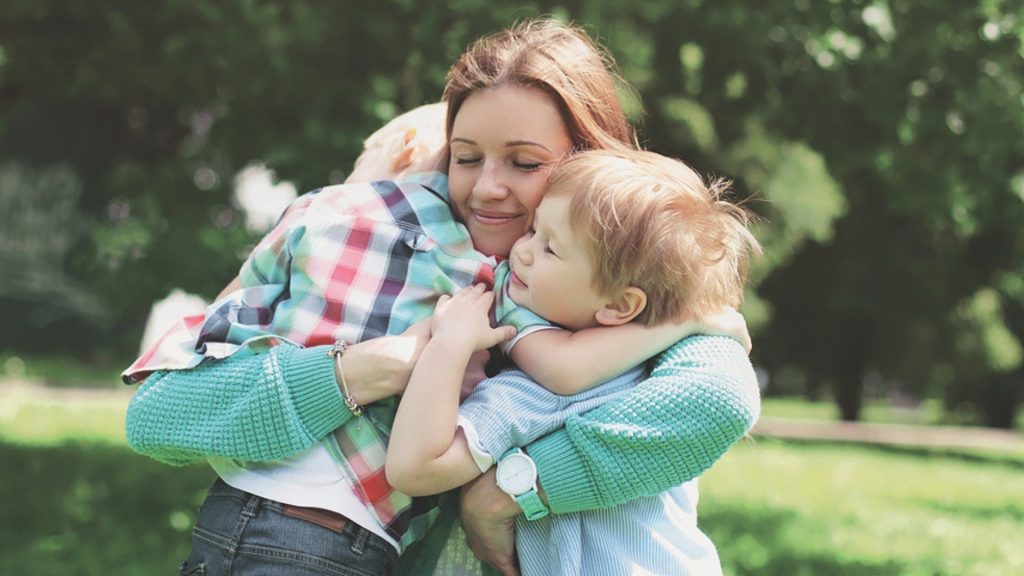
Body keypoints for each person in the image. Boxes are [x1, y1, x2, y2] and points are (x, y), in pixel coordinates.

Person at [123, 19, 760, 576]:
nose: (487, 188)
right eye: (463, 157)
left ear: (587, 170)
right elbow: (156, 413)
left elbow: (718, 400)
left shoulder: (645, 278)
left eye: (526, 163)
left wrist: (511, 492)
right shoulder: (404, 248)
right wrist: (367, 368)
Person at [386, 149, 759, 576]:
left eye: (550, 248)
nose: (521, 252)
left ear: (620, 305)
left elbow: (414, 468)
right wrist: (686, 322)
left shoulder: (543, 396)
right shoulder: (660, 376)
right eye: (532, 229)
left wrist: (449, 343)